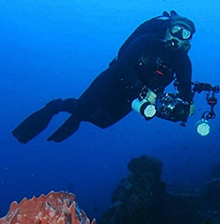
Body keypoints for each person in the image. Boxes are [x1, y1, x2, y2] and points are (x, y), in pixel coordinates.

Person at [12, 11, 196, 144]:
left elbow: (185, 89)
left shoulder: (183, 62)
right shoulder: (147, 40)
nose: (178, 36)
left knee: (103, 122)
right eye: (176, 30)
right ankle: (56, 106)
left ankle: (78, 117)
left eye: (185, 34)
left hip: (134, 98)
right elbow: (123, 64)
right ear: (167, 30)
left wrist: (187, 105)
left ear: (188, 40)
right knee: (82, 109)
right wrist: (142, 89)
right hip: (112, 81)